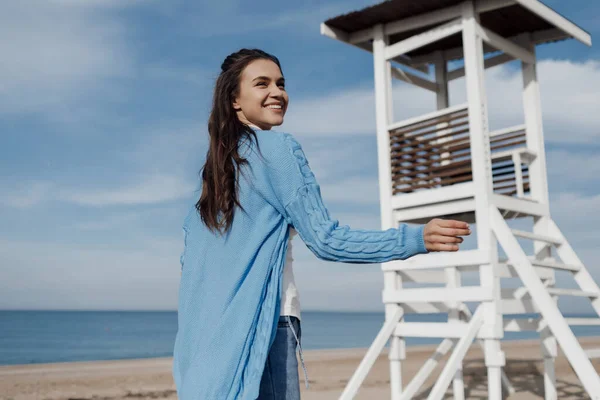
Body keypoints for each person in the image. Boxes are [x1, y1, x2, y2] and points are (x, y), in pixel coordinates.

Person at [172, 48, 471, 400]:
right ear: (235, 100)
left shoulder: (213, 174)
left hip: (206, 340)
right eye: (262, 83)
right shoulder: (275, 149)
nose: (277, 93)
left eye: (281, 83)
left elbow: (192, 269)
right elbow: (326, 240)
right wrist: (414, 238)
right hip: (266, 326)